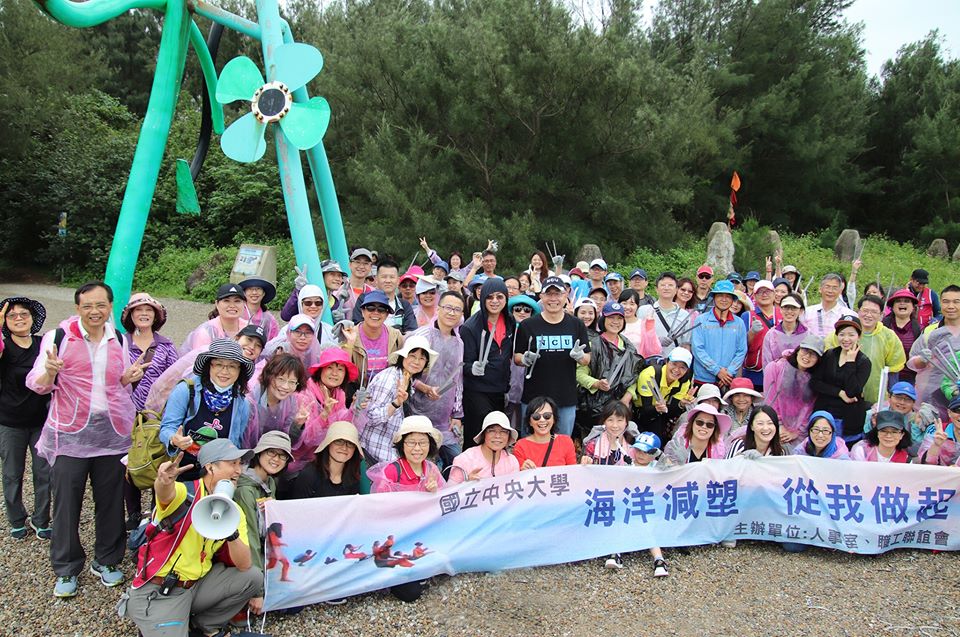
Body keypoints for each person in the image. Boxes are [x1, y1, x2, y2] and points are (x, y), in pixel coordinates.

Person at [26, 281, 146, 598]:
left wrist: (128, 378)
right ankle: (66, 567)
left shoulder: (118, 338)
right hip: (70, 435)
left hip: (111, 434)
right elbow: (36, 384)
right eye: (88, 306)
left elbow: (118, 384)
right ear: (78, 308)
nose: (95, 311)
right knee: (66, 503)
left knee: (111, 500)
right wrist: (50, 371)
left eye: (101, 305)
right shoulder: (59, 337)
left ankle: (107, 560)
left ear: (110, 307)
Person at [119, 439, 261, 637]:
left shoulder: (234, 510)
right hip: (162, 591)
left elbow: (244, 565)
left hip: (195, 586)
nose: (238, 471)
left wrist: (232, 533)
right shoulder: (186, 493)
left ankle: (203, 625)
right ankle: (161, 619)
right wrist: (163, 481)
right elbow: (166, 493)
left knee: (253, 577)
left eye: (240, 464)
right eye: (232, 463)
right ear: (210, 467)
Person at [119, 293, 180, 529]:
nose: (144, 314)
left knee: (157, 458)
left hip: (156, 414)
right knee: (129, 461)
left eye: (149, 310)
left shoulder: (165, 345)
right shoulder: (120, 343)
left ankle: (157, 510)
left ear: (156, 316)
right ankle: (133, 513)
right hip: (126, 412)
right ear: (130, 315)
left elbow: (176, 376)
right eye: (138, 310)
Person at [160, 339, 254, 482]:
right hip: (179, 472)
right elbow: (167, 427)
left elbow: (236, 443)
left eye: (232, 366)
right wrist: (174, 439)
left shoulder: (242, 404)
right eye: (219, 364)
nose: (225, 371)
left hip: (215, 478)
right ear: (209, 366)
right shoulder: (185, 391)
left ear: (239, 371)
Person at [0, 297, 50, 540]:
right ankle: (16, 518)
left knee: (44, 472)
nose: (19, 318)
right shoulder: (4, 347)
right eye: (12, 315)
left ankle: (41, 519)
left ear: (32, 318)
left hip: (42, 420)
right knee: (12, 473)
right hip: (10, 421)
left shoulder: (43, 343)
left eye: (24, 314)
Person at [515, 276, 592, 436]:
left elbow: (587, 359)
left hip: (565, 398)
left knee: (561, 443)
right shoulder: (527, 325)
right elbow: (517, 357)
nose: (553, 299)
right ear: (541, 296)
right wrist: (524, 359)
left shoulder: (576, 324)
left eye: (557, 294)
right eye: (549, 294)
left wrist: (579, 356)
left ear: (565, 296)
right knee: (530, 443)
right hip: (534, 397)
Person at [233, 430, 292, 615]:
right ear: (259, 453)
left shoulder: (270, 482)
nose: (276, 459)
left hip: (263, 549)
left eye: (282, 455)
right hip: (242, 560)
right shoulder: (245, 491)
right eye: (271, 452)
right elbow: (250, 538)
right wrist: (257, 591)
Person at [408, 291, 465, 467]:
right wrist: (425, 388)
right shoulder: (423, 335)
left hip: (444, 419)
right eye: (448, 307)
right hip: (417, 413)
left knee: (456, 463)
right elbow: (405, 373)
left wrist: (457, 414)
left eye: (457, 309)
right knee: (419, 463)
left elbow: (458, 380)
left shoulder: (459, 343)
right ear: (438, 309)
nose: (452, 313)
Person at [359, 335, 436, 465]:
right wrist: (396, 403)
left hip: (389, 447)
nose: (417, 361)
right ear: (403, 357)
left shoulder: (407, 378)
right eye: (412, 356)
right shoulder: (390, 378)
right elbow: (371, 417)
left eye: (422, 358)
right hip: (374, 450)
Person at [241, 354, 311, 487]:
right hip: (244, 464)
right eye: (281, 379)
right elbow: (241, 439)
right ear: (269, 376)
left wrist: (297, 424)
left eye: (292, 382)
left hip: (270, 465)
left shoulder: (291, 402)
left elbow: (285, 441)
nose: (285, 386)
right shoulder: (249, 400)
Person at [461, 278, 515, 448]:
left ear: (506, 299)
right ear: (482, 298)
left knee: (497, 437)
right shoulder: (470, 327)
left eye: (499, 297)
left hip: (500, 389)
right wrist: (473, 368)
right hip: (477, 391)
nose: (494, 301)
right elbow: (463, 364)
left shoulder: (509, 321)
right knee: (477, 436)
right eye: (490, 297)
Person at [824, 295, 905, 404]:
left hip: (876, 397)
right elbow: (828, 364)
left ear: (881, 315)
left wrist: (891, 396)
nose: (868, 315)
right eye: (865, 310)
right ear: (858, 311)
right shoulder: (841, 334)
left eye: (874, 312)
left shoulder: (889, 336)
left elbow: (894, 370)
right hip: (843, 396)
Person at [576, 301, 641, 432]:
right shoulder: (592, 344)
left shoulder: (628, 346)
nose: (615, 322)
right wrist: (597, 383)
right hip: (594, 406)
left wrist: (626, 398)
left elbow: (634, 375)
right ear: (603, 319)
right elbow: (579, 373)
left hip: (621, 406)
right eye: (611, 317)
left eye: (619, 318)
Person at [810, 318, 871, 445]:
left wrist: (850, 362)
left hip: (848, 419)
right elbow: (815, 383)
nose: (846, 339)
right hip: (825, 413)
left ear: (859, 336)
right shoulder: (830, 355)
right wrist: (839, 393)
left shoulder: (864, 362)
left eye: (851, 335)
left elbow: (852, 391)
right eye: (842, 334)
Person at [301, 348, 357, 469]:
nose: (335, 373)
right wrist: (325, 414)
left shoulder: (339, 394)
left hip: (328, 456)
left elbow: (341, 427)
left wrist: (354, 408)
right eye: (330, 368)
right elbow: (307, 439)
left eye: (340, 369)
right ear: (320, 370)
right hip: (304, 460)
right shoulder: (305, 395)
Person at [763, 334, 823, 444]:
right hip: (773, 423)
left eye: (813, 354)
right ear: (798, 350)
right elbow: (770, 400)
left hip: (798, 432)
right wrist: (779, 425)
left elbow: (808, 408)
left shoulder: (815, 379)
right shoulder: (775, 368)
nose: (807, 356)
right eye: (805, 350)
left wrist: (797, 431)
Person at [340, 290, 405, 385]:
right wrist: (349, 343)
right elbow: (342, 370)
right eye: (370, 308)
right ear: (362, 311)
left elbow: (403, 367)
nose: (376, 312)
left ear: (387, 314)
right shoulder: (349, 334)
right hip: (356, 390)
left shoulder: (396, 336)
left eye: (381, 309)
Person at [690, 280, 747, 389]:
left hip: (728, 379)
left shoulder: (739, 323)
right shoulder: (701, 320)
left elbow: (741, 350)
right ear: (714, 298)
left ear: (732, 300)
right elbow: (697, 349)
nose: (724, 299)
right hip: (704, 379)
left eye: (728, 296)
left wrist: (729, 372)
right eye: (720, 295)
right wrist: (717, 371)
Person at [367, 416, 445, 494]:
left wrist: (434, 492)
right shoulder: (391, 471)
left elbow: (442, 496)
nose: (417, 448)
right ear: (402, 445)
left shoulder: (432, 469)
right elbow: (380, 500)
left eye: (423, 442)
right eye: (411, 442)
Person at [632, 348, 694, 445]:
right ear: (667, 361)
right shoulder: (650, 374)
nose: (676, 370)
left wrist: (681, 404)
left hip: (659, 413)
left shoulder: (684, 383)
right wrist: (657, 409)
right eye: (674, 364)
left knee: (658, 442)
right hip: (639, 411)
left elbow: (671, 412)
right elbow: (645, 410)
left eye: (682, 367)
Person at [630, 432, 669, 577]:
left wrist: (661, 457)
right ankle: (615, 553)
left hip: (649, 507)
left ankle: (659, 559)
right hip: (628, 505)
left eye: (646, 452)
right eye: (638, 450)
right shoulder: (627, 464)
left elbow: (672, 470)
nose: (641, 455)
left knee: (648, 526)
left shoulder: (657, 467)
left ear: (654, 454)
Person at [862, 381, 938, 455]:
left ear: (914, 403)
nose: (902, 402)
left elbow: (915, 452)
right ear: (889, 397)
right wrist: (873, 425)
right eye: (898, 397)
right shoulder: (875, 413)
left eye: (908, 399)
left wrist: (916, 428)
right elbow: (867, 443)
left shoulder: (918, 419)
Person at [291, 420, 363, 498]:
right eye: (339, 441)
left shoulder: (355, 476)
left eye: (350, 443)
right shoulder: (309, 475)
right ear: (328, 444)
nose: (344, 448)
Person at [448, 411, 520, 483]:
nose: (497, 436)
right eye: (492, 431)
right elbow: (450, 489)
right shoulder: (464, 460)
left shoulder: (512, 461)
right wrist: (466, 484)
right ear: (484, 434)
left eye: (503, 431)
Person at [352, 259, 418, 333]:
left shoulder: (405, 305)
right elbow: (358, 325)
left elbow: (411, 331)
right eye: (384, 277)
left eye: (392, 277)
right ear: (376, 279)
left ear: (398, 281)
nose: (388, 281)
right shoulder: (364, 299)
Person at [180, 283, 249, 355]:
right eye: (226, 301)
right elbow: (199, 359)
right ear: (217, 304)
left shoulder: (249, 327)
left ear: (244, 304)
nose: (232, 305)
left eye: (237, 301)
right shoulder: (206, 331)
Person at [637, 272, 692, 357]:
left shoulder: (684, 315)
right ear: (656, 289)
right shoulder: (644, 311)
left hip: (674, 362)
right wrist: (656, 340)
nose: (666, 288)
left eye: (670, 285)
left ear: (676, 289)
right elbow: (637, 337)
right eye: (663, 285)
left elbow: (686, 344)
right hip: (649, 361)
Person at [513, 396, 577, 468]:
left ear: (554, 419)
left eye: (547, 416)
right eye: (536, 416)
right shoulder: (520, 446)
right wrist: (522, 469)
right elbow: (517, 473)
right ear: (529, 421)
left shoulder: (566, 442)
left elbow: (573, 471)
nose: (542, 420)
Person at [661, 403, 731, 466]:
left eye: (710, 424)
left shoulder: (720, 451)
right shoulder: (676, 445)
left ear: (714, 429)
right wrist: (676, 463)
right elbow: (663, 469)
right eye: (699, 422)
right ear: (692, 424)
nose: (704, 427)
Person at [742, 280, 781, 390]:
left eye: (768, 291)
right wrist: (752, 332)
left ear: (774, 294)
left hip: (779, 371)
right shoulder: (747, 316)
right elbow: (741, 345)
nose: (764, 295)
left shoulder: (782, 314)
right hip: (754, 373)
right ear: (754, 296)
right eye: (760, 292)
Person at [882, 289, 921, 383]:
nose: (902, 303)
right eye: (898, 301)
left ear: (913, 307)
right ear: (892, 307)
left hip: (910, 379)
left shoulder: (920, 329)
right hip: (885, 377)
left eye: (907, 301)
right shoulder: (882, 326)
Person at [580, 401, 637, 467]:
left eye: (619, 420)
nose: (615, 425)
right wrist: (586, 463)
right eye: (610, 420)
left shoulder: (634, 446)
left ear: (626, 422)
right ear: (604, 422)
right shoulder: (593, 445)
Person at [260, 314, 325, 370]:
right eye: (297, 332)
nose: (302, 337)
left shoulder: (316, 354)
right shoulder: (281, 351)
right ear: (289, 333)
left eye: (308, 333)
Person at [801, 274, 856, 339]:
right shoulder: (807, 312)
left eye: (834, 288)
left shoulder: (849, 315)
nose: (830, 291)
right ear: (820, 289)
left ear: (840, 291)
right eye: (827, 287)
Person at [761, 293, 808, 367]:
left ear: (801, 311)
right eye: (786, 307)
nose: (789, 311)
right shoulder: (771, 335)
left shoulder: (808, 335)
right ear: (780, 309)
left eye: (794, 308)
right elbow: (767, 362)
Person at [916, 397, 960, 466]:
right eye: (958, 410)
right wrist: (936, 445)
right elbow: (926, 464)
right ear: (949, 413)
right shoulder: (936, 429)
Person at [238, 277, 280, 342]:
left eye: (258, 289)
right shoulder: (237, 313)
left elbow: (274, 341)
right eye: (250, 289)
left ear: (263, 293)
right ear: (244, 293)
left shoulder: (269, 319)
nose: (254, 292)